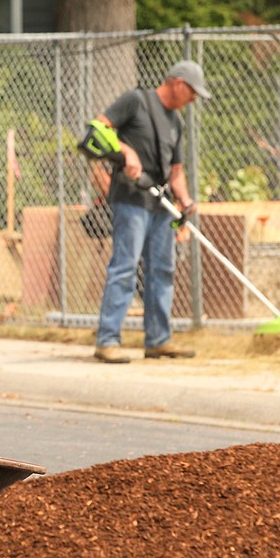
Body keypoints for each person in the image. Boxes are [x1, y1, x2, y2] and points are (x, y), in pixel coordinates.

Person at [92, 60, 209, 364]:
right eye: (193, 93)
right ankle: (107, 340)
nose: (193, 100)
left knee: (162, 269)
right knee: (125, 267)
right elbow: (99, 126)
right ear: (178, 83)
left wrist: (184, 199)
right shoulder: (137, 101)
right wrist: (125, 151)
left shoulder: (177, 123)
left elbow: (177, 171)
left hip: (162, 205)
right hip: (130, 199)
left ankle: (158, 339)